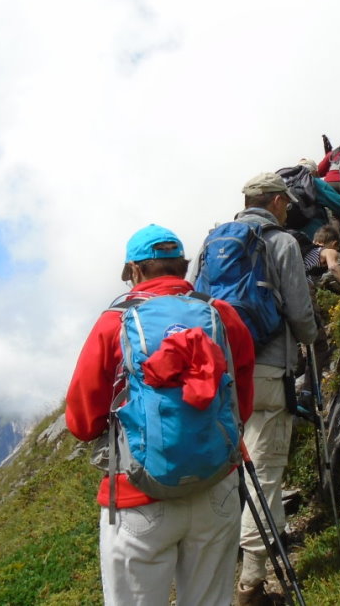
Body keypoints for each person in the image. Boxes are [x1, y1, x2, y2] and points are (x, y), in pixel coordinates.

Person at [65, 224, 256, 606]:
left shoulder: (112, 323)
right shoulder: (220, 315)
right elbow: (241, 404)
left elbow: (83, 423)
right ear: (182, 268)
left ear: (134, 271)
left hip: (139, 493)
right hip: (216, 486)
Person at [204, 173, 317, 606]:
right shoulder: (282, 242)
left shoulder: (213, 241)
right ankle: (251, 583)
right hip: (269, 371)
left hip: (222, 373)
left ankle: (218, 559)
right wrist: (310, 337)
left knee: (230, 468)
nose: (288, 208)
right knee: (265, 470)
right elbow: (299, 309)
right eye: (285, 202)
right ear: (273, 202)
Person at [294, 157, 340, 243]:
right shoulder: (313, 183)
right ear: (315, 172)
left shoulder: (288, 186)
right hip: (313, 242)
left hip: (290, 242)